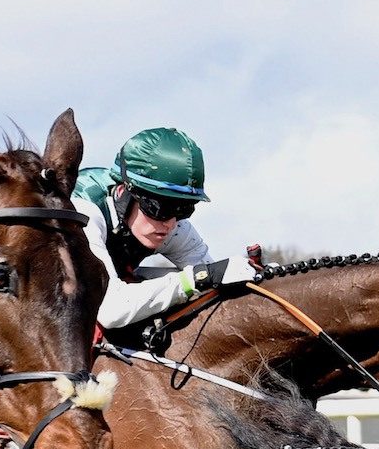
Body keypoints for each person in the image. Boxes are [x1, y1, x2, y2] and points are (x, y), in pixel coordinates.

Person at [72, 128, 255, 334]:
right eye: (160, 208)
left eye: (184, 209)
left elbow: (213, 281)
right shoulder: (83, 212)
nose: (170, 223)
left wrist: (260, 277)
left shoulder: (173, 225)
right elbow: (111, 311)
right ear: (123, 192)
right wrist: (197, 278)